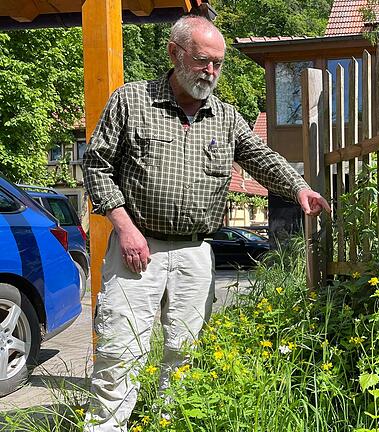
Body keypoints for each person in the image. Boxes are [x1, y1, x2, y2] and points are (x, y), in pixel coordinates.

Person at [82, 15, 329, 432]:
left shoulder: (226, 117)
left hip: (197, 252)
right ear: (175, 53)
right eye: (202, 61)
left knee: (184, 353)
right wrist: (123, 227)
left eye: (217, 64)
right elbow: (96, 164)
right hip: (137, 249)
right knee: (120, 350)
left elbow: (261, 158)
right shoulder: (131, 100)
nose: (211, 72)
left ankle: (169, 424)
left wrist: (299, 188)